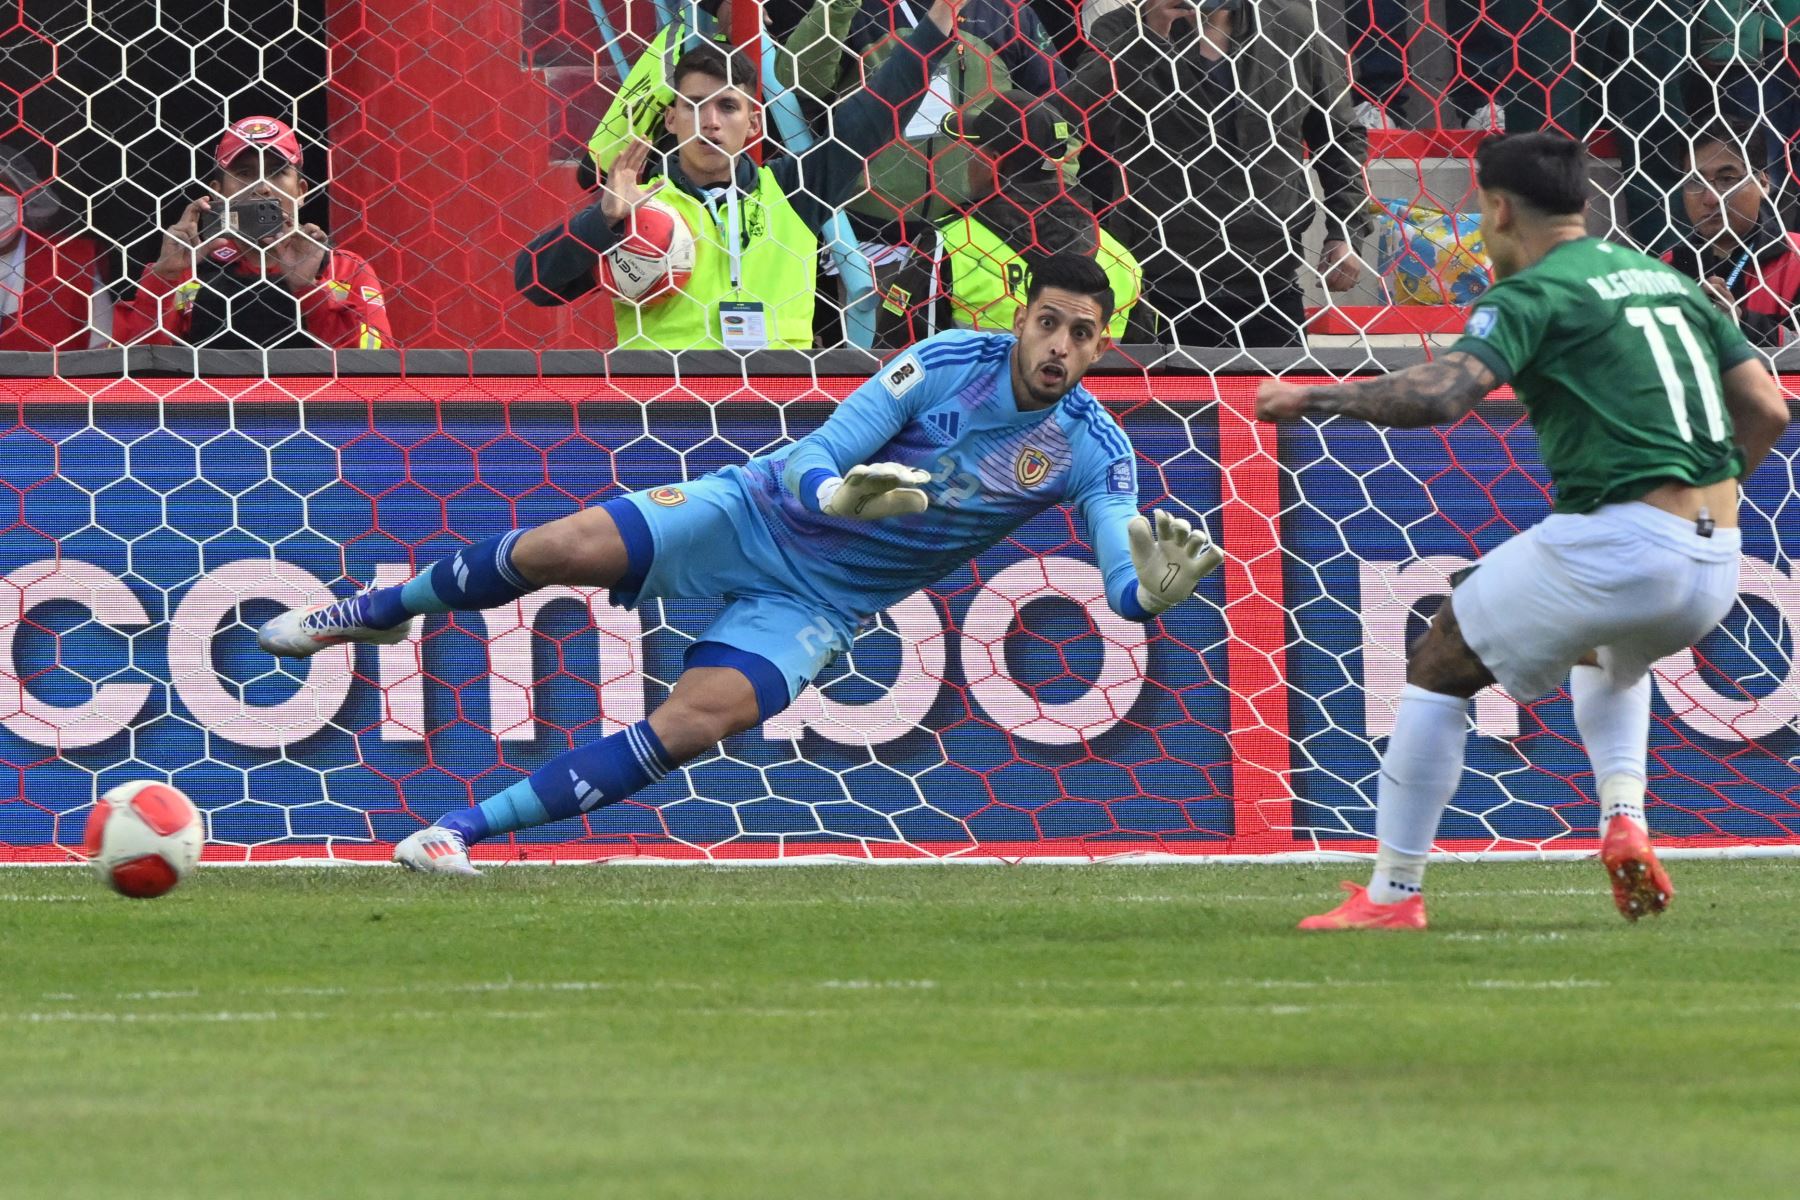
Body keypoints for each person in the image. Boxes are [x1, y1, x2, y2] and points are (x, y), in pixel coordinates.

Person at [258, 254, 1224, 875]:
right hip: (752, 510)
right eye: (1048, 322)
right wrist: (831, 495)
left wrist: (1148, 597)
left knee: (700, 720)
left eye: (1082, 334)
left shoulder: (1094, 448)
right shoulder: (941, 360)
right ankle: (379, 608)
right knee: (564, 548)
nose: (1059, 346)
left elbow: (1123, 572)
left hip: (824, 600)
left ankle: (455, 834)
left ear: (1105, 345)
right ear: (1021, 316)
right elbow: (819, 451)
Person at [1256, 132, 1788, 929]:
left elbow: (1440, 396)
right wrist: (1705, 504)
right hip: (1716, 560)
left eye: (1479, 213)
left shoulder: (1531, 293)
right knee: (1607, 646)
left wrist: (1312, 400)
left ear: (1500, 211)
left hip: (1625, 541)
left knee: (1442, 656)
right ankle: (1624, 817)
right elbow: (1769, 408)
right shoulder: (1671, 282)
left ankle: (1392, 894)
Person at [514, 4, 958, 350]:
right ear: (670, 120)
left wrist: (938, 21)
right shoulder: (639, 207)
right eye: (693, 105)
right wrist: (603, 220)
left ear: (753, 125)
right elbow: (533, 284)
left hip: (780, 408)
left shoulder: (793, 190)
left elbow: (875, 112)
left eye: (727, 107)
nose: (709, 122)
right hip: (665, 409)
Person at [1066, 0, 1369, 348]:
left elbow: (1339, 135)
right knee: (1169, 402)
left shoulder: (1291, 25)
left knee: (1269, 399)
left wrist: (1345, 229)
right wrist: (1146, 38)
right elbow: (1085, 119)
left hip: (1269, 280)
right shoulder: (1121, 28)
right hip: (1158, 284)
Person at [872, 91, 1140, 348]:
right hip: (1089, 396)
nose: (968, 162)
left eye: (973, 151)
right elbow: (1146, 372)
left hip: (970, 396)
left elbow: (895, 358)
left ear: (994, 163)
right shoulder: (1122, 262)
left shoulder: (947, 246)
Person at [112, 116, 393, 350]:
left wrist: (308, 290)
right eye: (245, 173)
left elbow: (376, 371)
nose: (262, 187)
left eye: (277, 171)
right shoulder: (187, 270)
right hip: (208, 414)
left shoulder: (344, 269)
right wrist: (163, 279)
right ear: (216, 192)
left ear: (301, 192)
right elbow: (131, 373)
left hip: (316, 415)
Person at [1663, 122, 1800, 348]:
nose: (1711, 198)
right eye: (1695, 181)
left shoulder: (1795, 258)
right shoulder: (1668, 268)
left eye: (1726, 179)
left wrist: (1741, 321)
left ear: (1763, 183)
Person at [0, 147, 112, 351]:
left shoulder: (71, 260)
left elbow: (106, 347)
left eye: (0, 190)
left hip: (56, 382)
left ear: (24, 199)